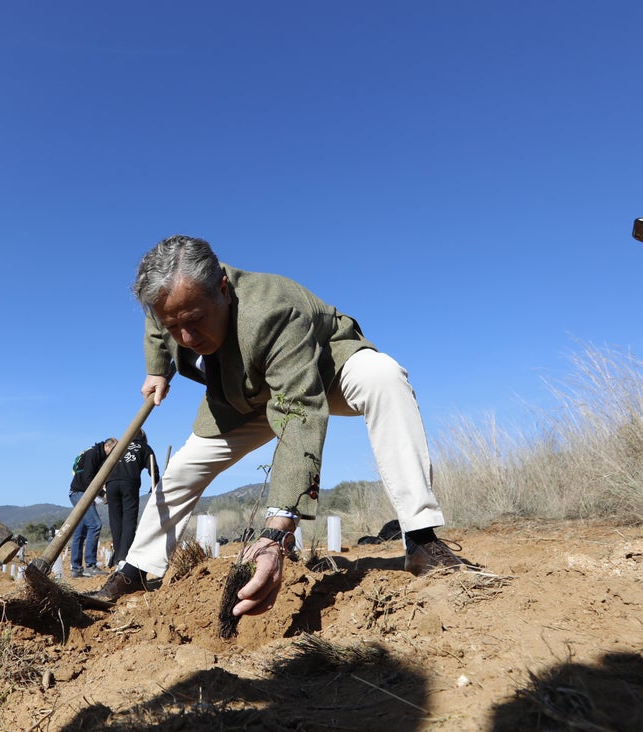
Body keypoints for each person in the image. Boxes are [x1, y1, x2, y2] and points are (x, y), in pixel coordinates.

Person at [91, 235, 472, 611]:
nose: (186, 338)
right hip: (241, 393)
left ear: (222, 288)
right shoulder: (168, 304)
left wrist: (275, 533)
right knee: (181, 471)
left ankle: (422, 539)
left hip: (320, 371)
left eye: (193, 320)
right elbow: (157, 323)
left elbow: (298, 411)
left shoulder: (273, 309)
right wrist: (157, 369)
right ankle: (136, 570)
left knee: (383, 378)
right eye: (175, 326)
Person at [104, 430, 158, 568]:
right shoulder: (144, 447)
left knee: (115, 520)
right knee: (129, 519)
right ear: (143, 437)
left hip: (111, 484)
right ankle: (123, 557)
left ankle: (117, 557)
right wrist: (155, 484)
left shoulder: (119, 446)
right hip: (129, 483)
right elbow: (153, 468)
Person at [68, 438, 117, 577]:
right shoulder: (93, 454)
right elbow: (88, 479)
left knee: (80, 530)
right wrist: (103, 495)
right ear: (107, 446)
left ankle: (76, 569)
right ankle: (90, 565)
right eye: (113, 451)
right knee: (95, 524)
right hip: (80, 494)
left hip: (79, 493)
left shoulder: (98, 454)